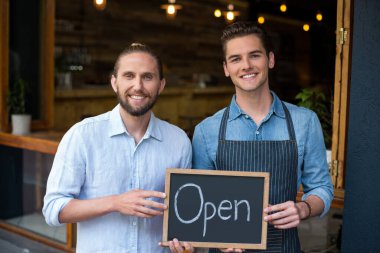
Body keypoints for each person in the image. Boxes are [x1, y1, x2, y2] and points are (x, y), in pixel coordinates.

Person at [192, 21, 334, 252]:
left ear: (270, 59)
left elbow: (321, 188)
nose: (246, 65)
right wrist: (215, 239)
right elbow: (200, 206)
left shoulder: (304, 122)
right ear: (226, 68)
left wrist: (304, 208)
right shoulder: (206, 131)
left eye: (254, 55)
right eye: (236, 59)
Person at [43, 43, 194, 253]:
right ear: (114, 82)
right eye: (129, 76)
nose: (138, 86)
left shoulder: (179, 141)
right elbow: (53, 210)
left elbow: (185, 215)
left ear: (161, 85)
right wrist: (115, 203)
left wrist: (185, 244)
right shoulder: (82, 135)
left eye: (148, 77)